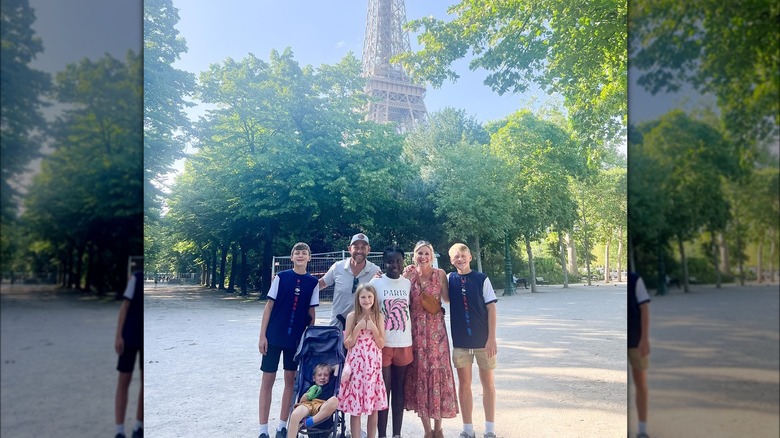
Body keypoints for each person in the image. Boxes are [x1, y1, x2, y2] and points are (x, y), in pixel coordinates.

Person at [257, 243, 320, 438]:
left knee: (290, 382)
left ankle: (282, 426)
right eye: (297, 253)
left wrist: (308, 339)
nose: (300, 255)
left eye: (304, 253)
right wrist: (262, 335)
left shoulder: (312, 283)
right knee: (267, 380)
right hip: (274, 336)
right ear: (291, 257)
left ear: (309, 257)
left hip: (296, 340)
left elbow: (311, 313)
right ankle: (263, 429)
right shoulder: (281, 278)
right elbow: (269, 307)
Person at [403, 241, 458, 438]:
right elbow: (399, 298)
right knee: (420, 375)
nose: (423, 257)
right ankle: (427, 430)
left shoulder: (440, 274)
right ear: (414, 256)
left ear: (432, 255)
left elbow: (448, 299)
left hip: (436, 334)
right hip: (415, 332)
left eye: (427, 253)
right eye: (420, 253)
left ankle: (438, 428)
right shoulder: (408, 275)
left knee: (437, 375)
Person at [446, 243, 498, 438]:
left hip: (483, 341)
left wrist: (492, 338)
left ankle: (490, 428)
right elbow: (434, 287)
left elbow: (492, 309)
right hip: (461, 343)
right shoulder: (449, 279)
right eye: (455, 257)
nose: (459, 259)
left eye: (462, 255)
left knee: (488, 383)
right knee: (464, 384)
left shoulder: (481, 279)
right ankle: (468, 429)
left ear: (470, 257)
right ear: (451, 261)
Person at [370, 247, 413, 438]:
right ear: (384, 263)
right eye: (390, 261)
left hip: (404, 343)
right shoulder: (376, 283)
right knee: (383, 392)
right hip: (383, 344)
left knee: (399, 392)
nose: (394, 265)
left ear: (403, 262)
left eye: (398, 261)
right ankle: (382, 435)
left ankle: (397, 434)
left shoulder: (408, 284)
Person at [339, 283, 387, 438]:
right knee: (356, 406)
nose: (366, 300)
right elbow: (347, 343)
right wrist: (358, 328)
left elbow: (381, 344)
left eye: (369, 297)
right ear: (358, 298)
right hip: (356, 367)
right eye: (363, 297)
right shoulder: (352, 316)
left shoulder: (379, 316)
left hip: (373, 366)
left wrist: (372, 327)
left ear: (374, 298)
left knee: (373, 407)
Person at [319, 233, 381, 329]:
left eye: (363, 247)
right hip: (337, 326)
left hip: (362, 327)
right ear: (349, 249)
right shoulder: (338, 267)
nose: (359, 251)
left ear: (369, 250)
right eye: (356, 247)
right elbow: (321, 284)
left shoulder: (375, 271)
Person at [114, 263, 144, 438]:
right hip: (130, 337)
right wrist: (118, 335)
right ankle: (119, 430)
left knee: (144, 382)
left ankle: (138, 426)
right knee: (124, 379)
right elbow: (124, 307)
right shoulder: (136, 278)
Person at [286, 363, 340, 438]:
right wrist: (305, 397)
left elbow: (338, 366)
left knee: (335, 400)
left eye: (326, 375)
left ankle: (309, 422)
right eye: (319, 375)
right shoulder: (311, 387)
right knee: (295, 415)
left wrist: (330, 368)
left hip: (323, 405)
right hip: (309, 404)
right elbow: (302, 401)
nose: (323, 377)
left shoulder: (330, 384)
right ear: (314, 378)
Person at [628, 272, 651, 438]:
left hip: (635, 341)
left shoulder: (635, 280)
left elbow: (645, 309)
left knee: (641, 383)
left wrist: (644, 339)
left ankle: (642, 429)